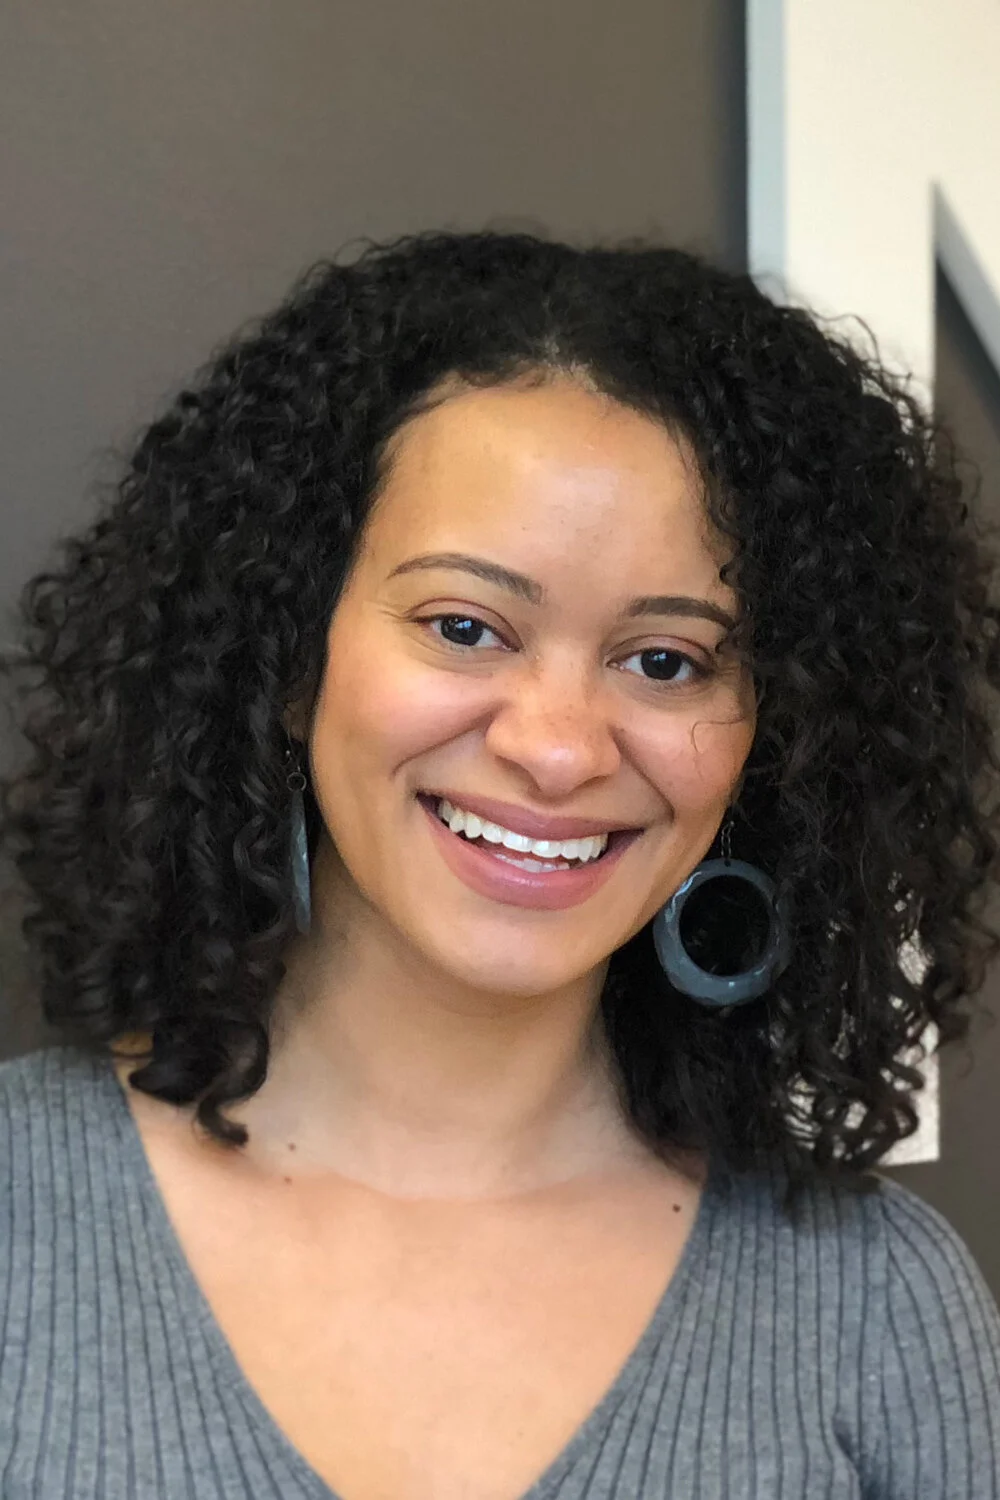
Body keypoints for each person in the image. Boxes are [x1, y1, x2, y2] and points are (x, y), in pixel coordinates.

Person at [1, 230, 999, 1499]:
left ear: (769, 733)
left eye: (665, 660)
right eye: (465, 627)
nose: (558, 748)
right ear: (287, 653)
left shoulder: (874, 1309)